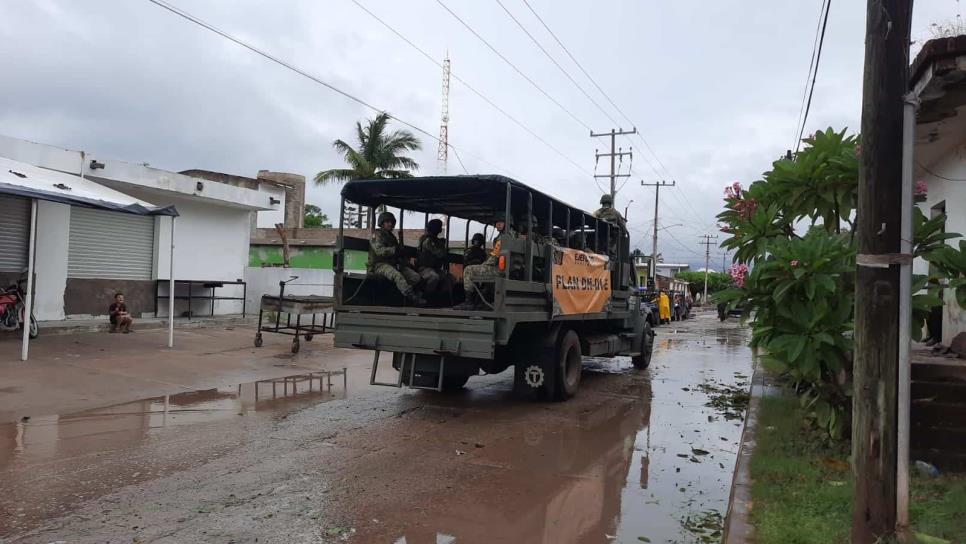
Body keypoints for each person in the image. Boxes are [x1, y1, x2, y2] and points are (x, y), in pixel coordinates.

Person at [369, 211, 426, 306]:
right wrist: (395, 249)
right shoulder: (376, 235)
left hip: (393, 264)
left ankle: (405, 294)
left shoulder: (392, 237)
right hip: (379, 265)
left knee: (415, 277)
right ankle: (413, 298)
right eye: (387, 222)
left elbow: (398, 252)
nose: (390, 224)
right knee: (397, 276)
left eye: (391, 222)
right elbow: (380, 251)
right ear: (382, 223)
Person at [455, 219, 511, 310]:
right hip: (506, 269)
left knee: (468, 270)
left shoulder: (503, 237)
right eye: (497, 223)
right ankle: (481, 301)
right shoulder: (511, 235)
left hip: (500, 270)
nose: (498, 225)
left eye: (501, 222)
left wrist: (486, 264)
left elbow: (495, 256)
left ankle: (468, 302)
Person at [417, 219, 449, 294]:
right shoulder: (427, 240)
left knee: (450, 278)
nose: (440, 229)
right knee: (434, 277)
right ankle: (426, 296)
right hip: (424, 269)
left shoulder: (437, 240)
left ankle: (441, 298)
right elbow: (440, 254)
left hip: (435, 268)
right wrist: (442, 247)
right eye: (439, 227)